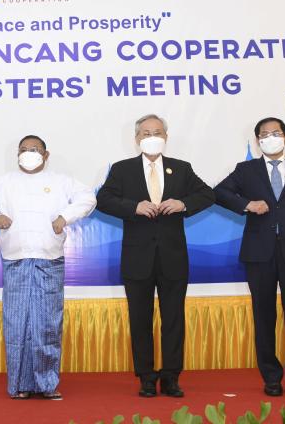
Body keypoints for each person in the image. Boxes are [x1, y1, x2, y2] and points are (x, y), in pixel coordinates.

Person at [95, 114, 214, 398]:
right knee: (140, 319)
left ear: (166, 136)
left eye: (157, 131)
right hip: (138, 259)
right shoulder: (122, 169)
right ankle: (146, 377)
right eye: (146, 132)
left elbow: (207, 195)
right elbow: (104, 200)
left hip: (173, 257)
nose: (152, 136)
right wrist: (133, 206)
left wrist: (183, 203)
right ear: (137, 138)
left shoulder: (181, 168)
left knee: (173, 319)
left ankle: (171, 376)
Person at [0, 135, 96, 400]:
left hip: (49, 259)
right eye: (24, 150)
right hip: (16, 259)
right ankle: (19, 385)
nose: (29, 154)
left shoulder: (61, 181)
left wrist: (65, 216)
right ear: (17, 154)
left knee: (47, 325)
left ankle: (47, 384)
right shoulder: (4, 182)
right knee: (17, 325)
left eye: (35, 149)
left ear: (46, 155)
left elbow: (88, 198)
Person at [213, 117, 285, 397]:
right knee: (264, 316)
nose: (270, 137)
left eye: (275, 132)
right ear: (256, 140)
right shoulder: (246, 170)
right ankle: (271, 377)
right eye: (264, 134)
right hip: (258, 254)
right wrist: (246, 204)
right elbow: (219, 193)